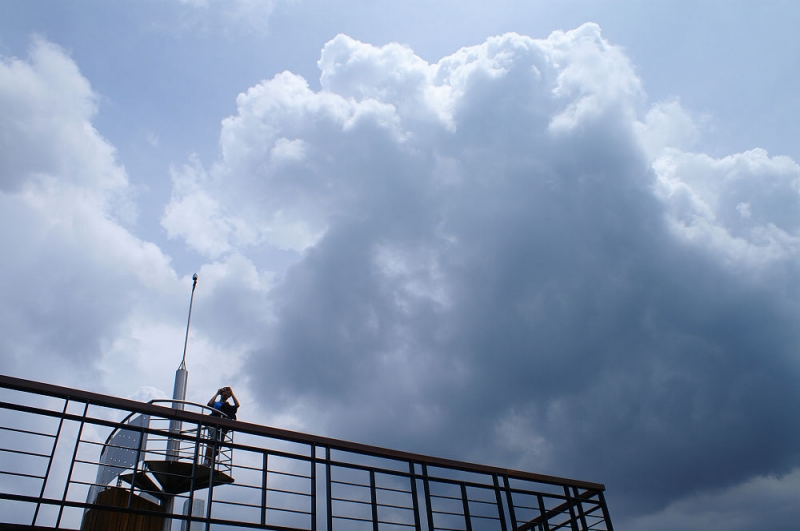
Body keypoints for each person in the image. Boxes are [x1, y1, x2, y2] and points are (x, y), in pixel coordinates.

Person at [204, 386, 240, 465]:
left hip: (222, 428)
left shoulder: (228, 407)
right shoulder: (217, 404)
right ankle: (206, 462)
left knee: (217, 448)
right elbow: (210, 404)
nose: (225, 395)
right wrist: (217, 393)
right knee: (213, 441)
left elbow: (237, 405)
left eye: (227, 394)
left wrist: (232, 393)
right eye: (224, 393)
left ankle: (209, 463)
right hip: (214, 424)